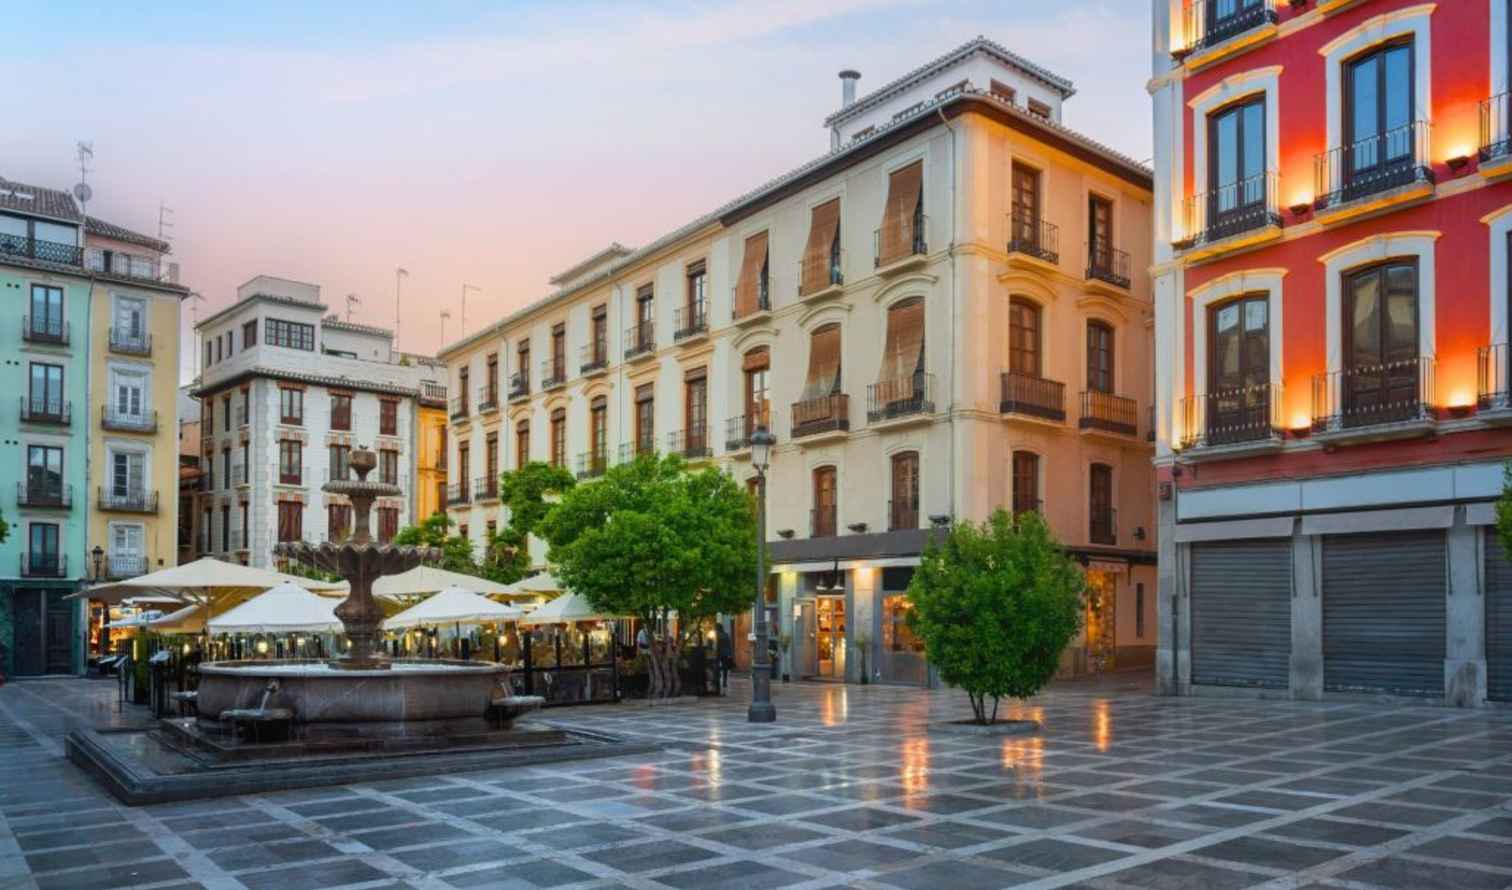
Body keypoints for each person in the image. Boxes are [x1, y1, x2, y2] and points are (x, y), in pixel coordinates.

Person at [714, 623, 734, 693]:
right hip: (726, 653)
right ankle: (724, 682)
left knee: (716, 667)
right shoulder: (726, 634)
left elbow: (717, 646)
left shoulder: (718, 635)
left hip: (720, 653)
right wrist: (730, 654)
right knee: (725, 668)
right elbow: (729, 645)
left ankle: (717, 680)